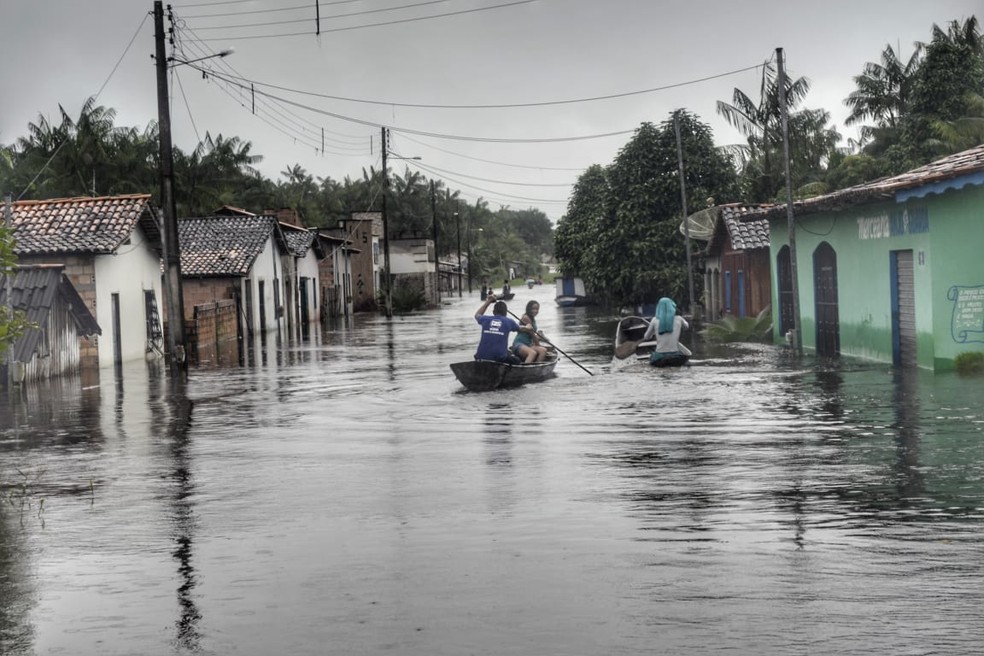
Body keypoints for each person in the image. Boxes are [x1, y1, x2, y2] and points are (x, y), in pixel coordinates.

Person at [474, 294, 533, 363]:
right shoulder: (508, 321)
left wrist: (488, 301)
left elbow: (477, 315)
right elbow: (522, 329)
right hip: (499, 358)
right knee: (517, 360)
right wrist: (528, 327)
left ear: (493, 312)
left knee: (507, 353)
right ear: (505, 313)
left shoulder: (485, 319)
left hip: (480, 356)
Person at [643, 297, 689, 363]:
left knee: (652, 356)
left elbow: (646, 337)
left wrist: (652, 334)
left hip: (659, 358)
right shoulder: (679, 319)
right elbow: (686, 327)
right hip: (675, 356)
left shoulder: (654, 320)